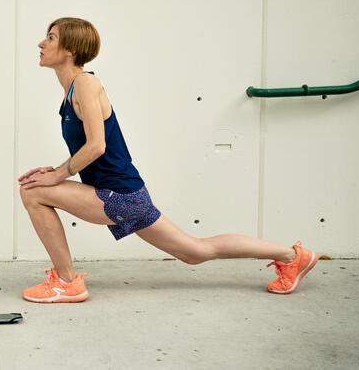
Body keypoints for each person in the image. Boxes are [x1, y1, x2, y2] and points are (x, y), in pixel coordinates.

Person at [18, 17, 317, 303]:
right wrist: (56, 170)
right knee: (196, 252)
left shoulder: (85, 83)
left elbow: (97, 146)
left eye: (51, 37)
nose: (41, 43)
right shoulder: (71, 91)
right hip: (125, 194)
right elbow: (92, 148)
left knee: (32, 191)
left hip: (120, 196)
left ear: (70, 50)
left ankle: (67, 282)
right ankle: (293, 256)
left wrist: (58, 175)